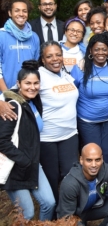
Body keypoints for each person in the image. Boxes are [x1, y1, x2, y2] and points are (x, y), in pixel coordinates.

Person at [0, 60, 55, 222]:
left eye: (36, 83)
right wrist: (24, 160)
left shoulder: (33, 101)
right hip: (15, 167)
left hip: (32, 163)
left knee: (49, 203)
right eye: (27, 83)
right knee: (27, 214)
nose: (32, 87)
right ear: (18, 84)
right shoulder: (12, 106)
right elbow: (2, 141)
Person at [71, 32, 108, 172]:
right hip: (87, 119)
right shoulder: (80, 69)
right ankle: (94, 187)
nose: (100, 53)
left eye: (104, 49)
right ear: (90, 51)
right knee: (93, 153)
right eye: (96, 49)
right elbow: (71, 92)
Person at [38, 41, 79, 202]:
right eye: (49, 56)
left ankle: (69, 211)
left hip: (70, 134)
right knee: (52, 177)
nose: (55, 59)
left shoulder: (64, 74)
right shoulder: (38, 75)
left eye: (58, 54)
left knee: (70, 174)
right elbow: (13, 93)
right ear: (43, 59)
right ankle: (54, 215)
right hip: (47, 137)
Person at [57, 143, 108, 225]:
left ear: (102, 159)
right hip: (75, 214)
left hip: (93, 208)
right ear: (81, 160)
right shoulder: (70, 183)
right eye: (89, 160)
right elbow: (67, 217)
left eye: (97, 160)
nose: (94, 165)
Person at [0, 0, 40, 93]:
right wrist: (6, 92)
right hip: (5, 92)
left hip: (29, 92)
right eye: (17, 11)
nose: (21, 14)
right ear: (10, 13)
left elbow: (35, 67)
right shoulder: (1, 35)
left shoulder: (34, 37)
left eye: (24, 11)